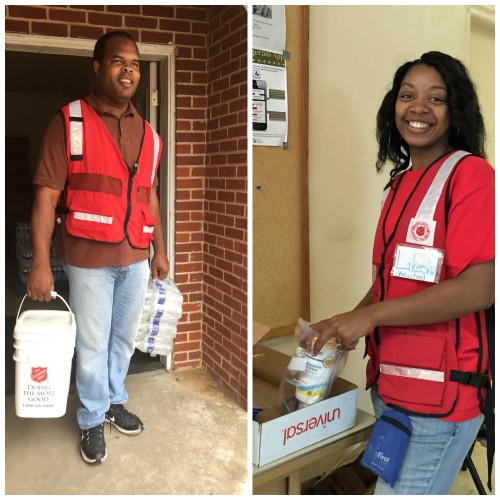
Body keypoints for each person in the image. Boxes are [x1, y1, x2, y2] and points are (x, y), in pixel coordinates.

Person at [311, 51, 494, 494]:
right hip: (392, 388)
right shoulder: (400, 184)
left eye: (436, 98)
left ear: (457, 110)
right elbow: (392, 284)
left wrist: (369, 318)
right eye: (408, 95)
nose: (418, 108)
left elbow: (480, 288)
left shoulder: (472, 176)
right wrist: (343, 322)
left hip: (441, 400)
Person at [27, 31, 169, 465]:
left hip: (135, 258)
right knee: (91, 344)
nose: (128, 69)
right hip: (88, 261)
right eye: (117, 61)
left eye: (135, 63)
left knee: (123, 341)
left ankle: (112, 401)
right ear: (97, 66)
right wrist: (40, 265)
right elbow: (46, 197)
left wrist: (160, 250)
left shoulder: (149, 134)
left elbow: (149, 196)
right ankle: (91, 417)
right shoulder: (69, 122)